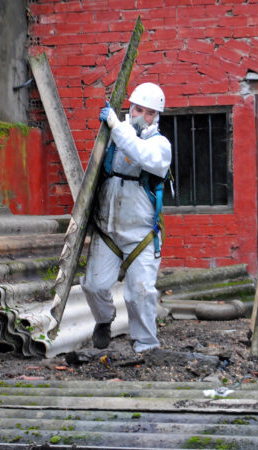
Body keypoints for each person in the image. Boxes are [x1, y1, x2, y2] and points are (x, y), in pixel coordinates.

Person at [80, 82, 172, 353]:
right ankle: (104, 319)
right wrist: (111, 129)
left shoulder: (159, 145)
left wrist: (116, 127)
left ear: (157, 117)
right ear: (129, 108)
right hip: (107, 230)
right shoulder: (114, 137)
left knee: (140, 293)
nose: (142, 116)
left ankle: (145, 346)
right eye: (137, 109)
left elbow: (140, 154)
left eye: (149, 113)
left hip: (140, 234)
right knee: (93, 286)